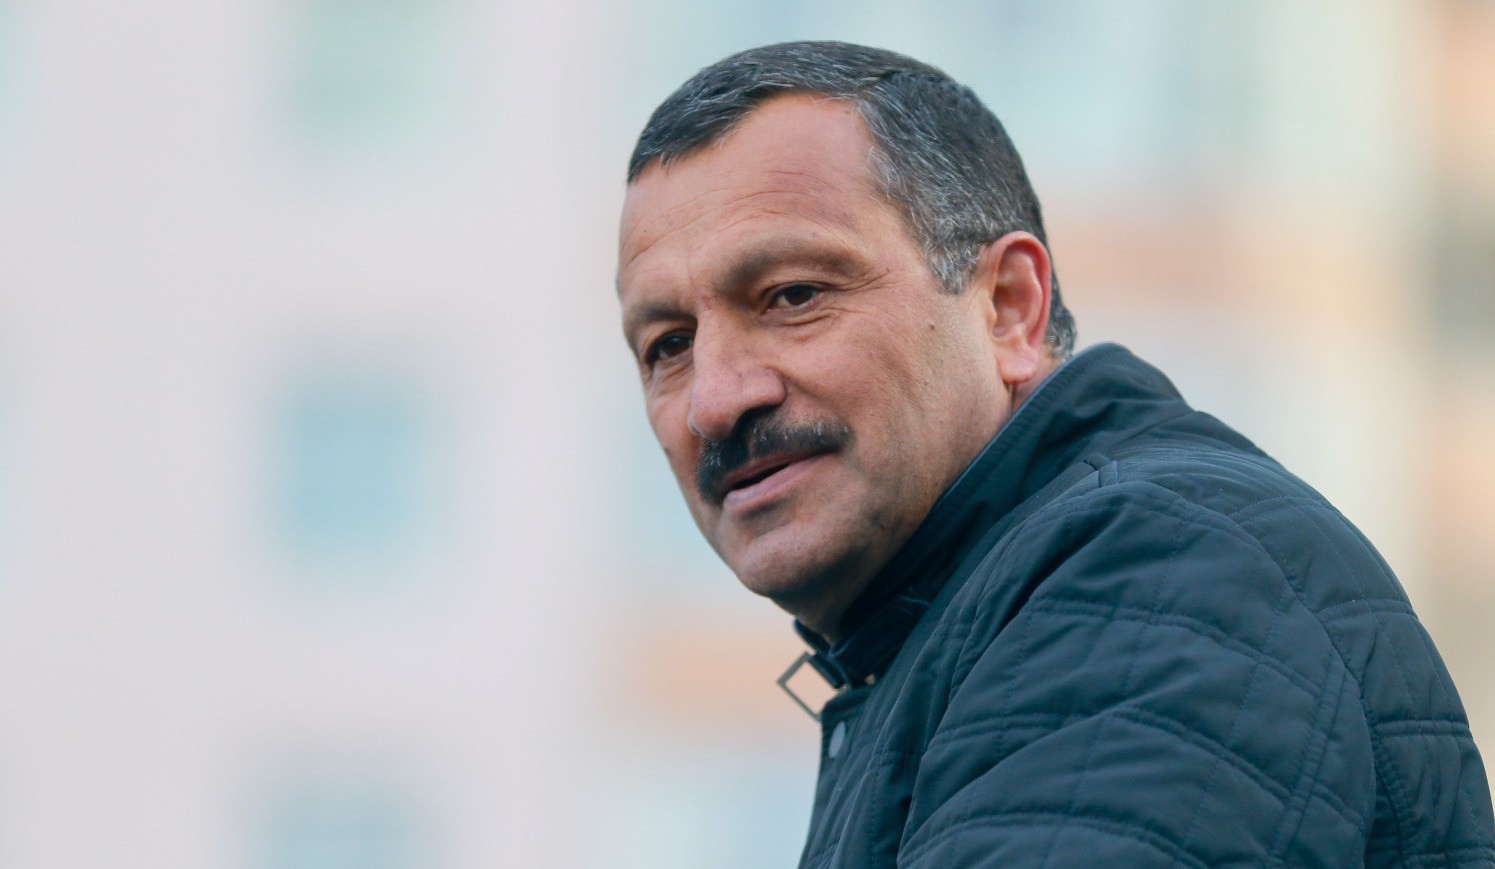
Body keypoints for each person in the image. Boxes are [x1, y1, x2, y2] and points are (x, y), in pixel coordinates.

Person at [616, 41, 1495, 867]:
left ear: (1007, 307)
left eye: (792, 295)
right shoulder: (955, 631)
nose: (714, 400)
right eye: (667, 345)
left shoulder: (1158, 572)